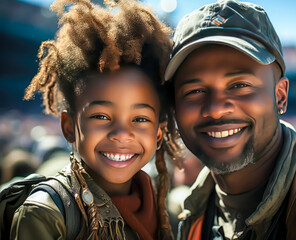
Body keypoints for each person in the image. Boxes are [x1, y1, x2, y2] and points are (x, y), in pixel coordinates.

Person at [163, 0, 296, 239]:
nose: (215, 109)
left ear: (280, 97)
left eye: (240, 85)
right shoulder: (189, 212)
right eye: (194, 91)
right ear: (174, 107)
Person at [10, 0, 174, 239]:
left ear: (157, 135)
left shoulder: (163, 207)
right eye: (101, 116)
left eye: (140, 119)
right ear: (68, 127)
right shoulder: (45, 214)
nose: (121, 133)